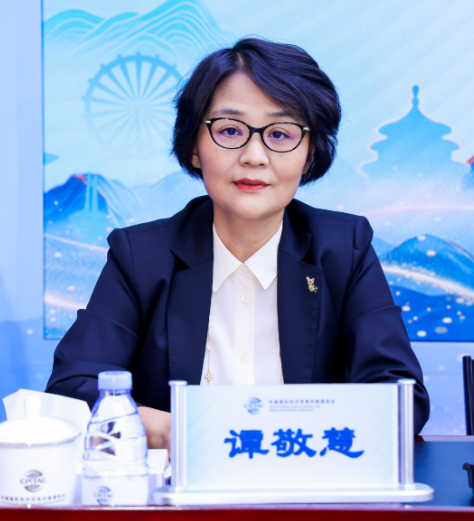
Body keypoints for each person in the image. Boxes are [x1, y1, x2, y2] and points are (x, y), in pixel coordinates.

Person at [46, 38, 430, 450]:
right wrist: (176, 431)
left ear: (310, 154)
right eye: (230, 130)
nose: (254, 156)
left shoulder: (344, 249)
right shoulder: (141, 256)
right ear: (194, 148)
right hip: (180, 485)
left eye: (280, 134)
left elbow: (401, 398)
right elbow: (72, 389)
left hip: (306, 480)